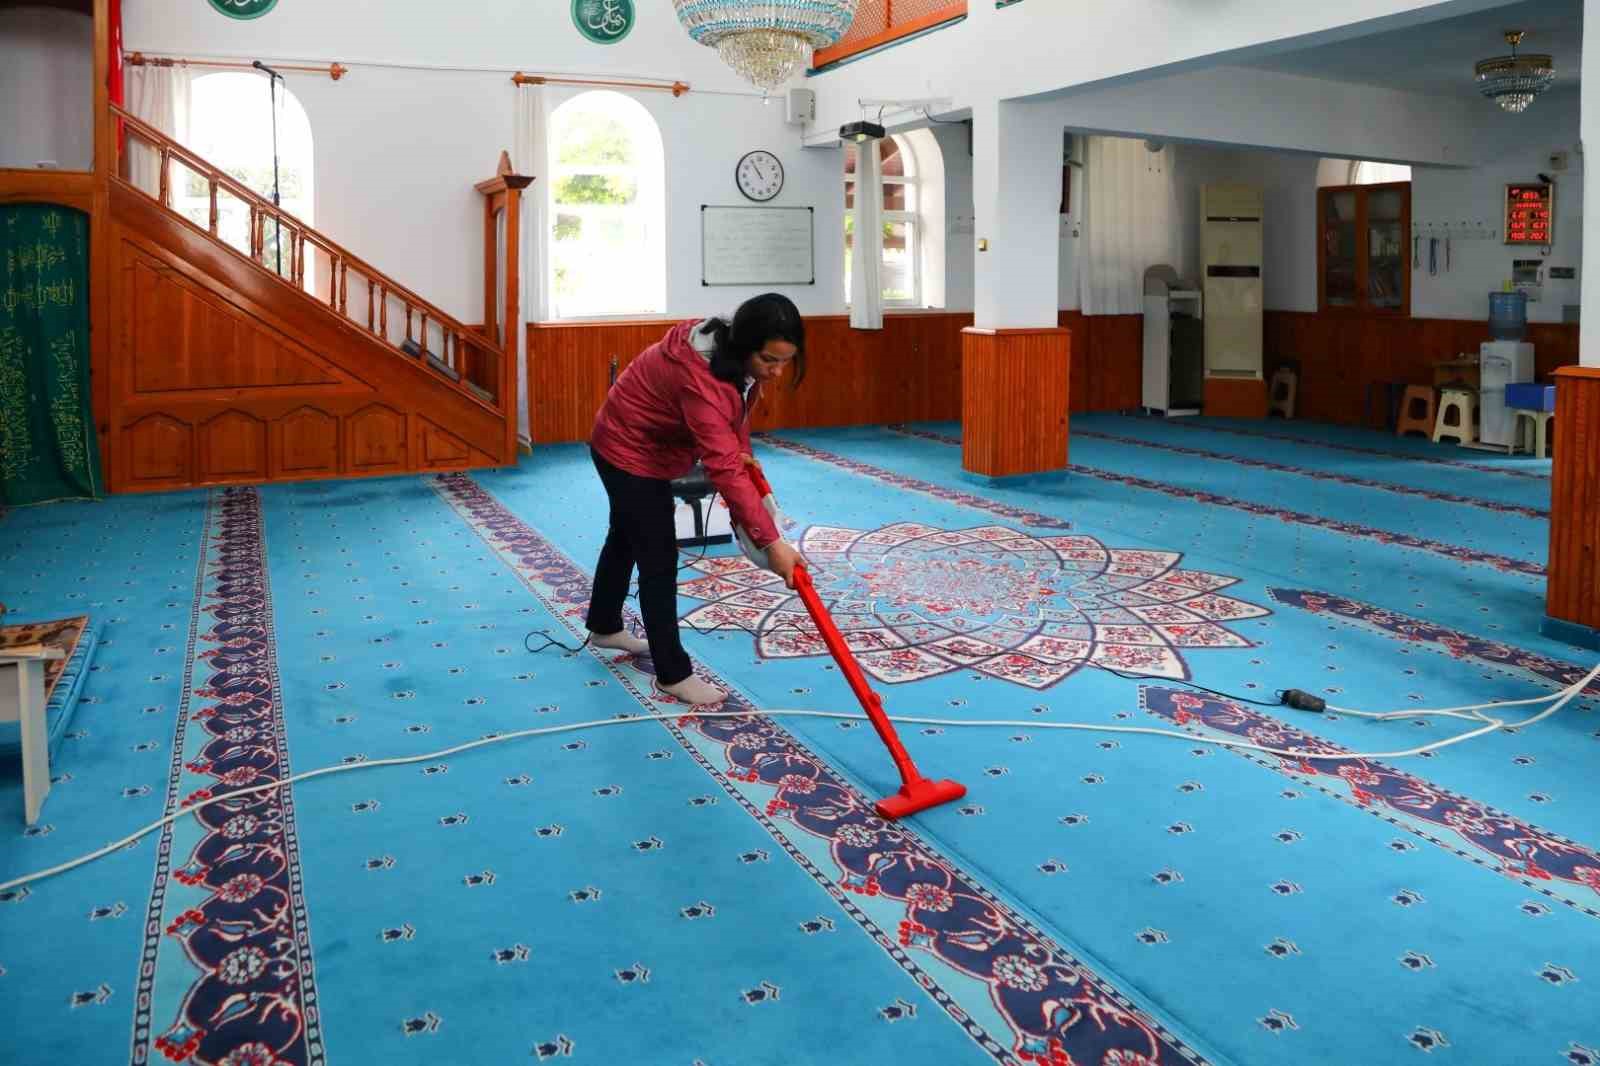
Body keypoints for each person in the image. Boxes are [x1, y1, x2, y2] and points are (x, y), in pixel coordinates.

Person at [586, 293, 805, 706]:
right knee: (658, 556)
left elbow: (734, 415)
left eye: (785, 361)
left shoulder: (731, 355)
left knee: (625, 534)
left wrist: (745, 455)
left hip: (647, 443)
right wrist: (772, 544)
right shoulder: (701, 378)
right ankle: (673, 674)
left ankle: (604, 624)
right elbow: (721, 464)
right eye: (769, 361)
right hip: (626, 450)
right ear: (744, 348)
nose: (776, 372)